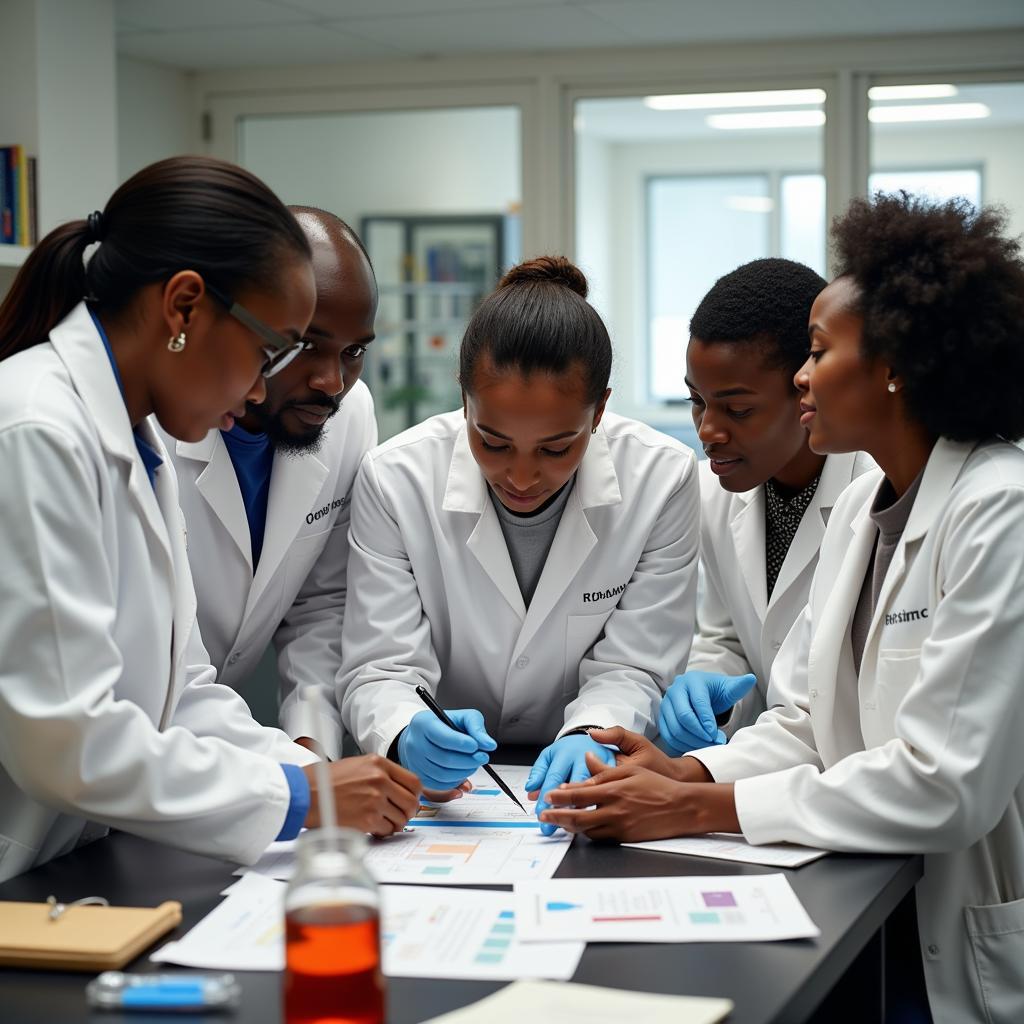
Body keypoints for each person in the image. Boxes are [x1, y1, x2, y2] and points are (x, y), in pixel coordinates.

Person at [541, 193, 1024, 1023]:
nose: (802, 375)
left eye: (818, 350)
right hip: (870, 904)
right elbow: (807, 717)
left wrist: (700, 806)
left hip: (964, 920)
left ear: (896, 365)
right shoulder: (878, 499)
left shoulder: (1000, 509)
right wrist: (683, 768)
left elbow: (948, 784)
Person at [0, 157, 420, 883]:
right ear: (185, 306)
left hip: (74, 852)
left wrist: (311, 773)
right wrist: (300, 795)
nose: (264, 385)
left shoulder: (139, 436)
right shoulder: (36, 428)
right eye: (268, 351)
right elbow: (65, 741)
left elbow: (181, 689)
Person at [337, 256, 699, 830]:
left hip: (585, 780)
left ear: (600, 410)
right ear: (464, 402)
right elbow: (382, 666)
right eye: (493, 442)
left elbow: (636, 663)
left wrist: (590, 735)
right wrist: (406, 732)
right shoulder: (396, 478)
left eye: (556, 448)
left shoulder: (662, 479)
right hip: (449, 800)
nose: (523, 477)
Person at [163, 207, 377, 759]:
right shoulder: (156, 430)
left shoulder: (347, 416)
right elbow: (170, 667)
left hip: (207, 767)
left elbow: (323, 603)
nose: (333, 382)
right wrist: (303, 783)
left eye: (354, 352)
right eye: (306, 345)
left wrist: (312, 744)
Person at [660, 258, 874, 753]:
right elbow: (730, 638)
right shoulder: (712, 491)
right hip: (769, 766)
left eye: (738, 409)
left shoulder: (872, 490)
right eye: (697, 401)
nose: (707, 431)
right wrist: (711, 695)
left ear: (806, 389)